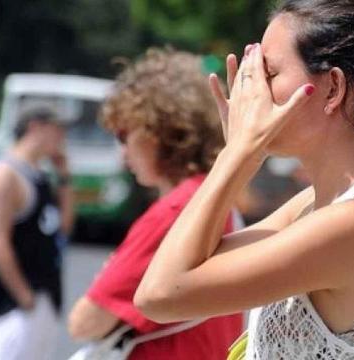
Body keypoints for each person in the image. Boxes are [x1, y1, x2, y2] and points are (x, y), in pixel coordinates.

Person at [135, 1, 354, 359]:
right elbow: (194, 263)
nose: (251, 92)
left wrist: (238, 154)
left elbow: (160, 295)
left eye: (268, 74)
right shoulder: (314, 206)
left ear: (333, 89)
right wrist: (239, 152)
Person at [67, 48, 243, 360]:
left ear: (158, 131)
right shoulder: (217, 197)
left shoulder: (175, 211)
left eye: (124, 135)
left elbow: (85, 321)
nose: (122, 153)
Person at [0, 105, 74, 360]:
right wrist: (24, 296)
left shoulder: (40, 174)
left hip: (45, 293)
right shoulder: (4, 175)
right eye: (57, 130)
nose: (62, 139)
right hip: (15, 302)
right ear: (35, 127)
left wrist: (64, 178)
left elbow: (62, 227)